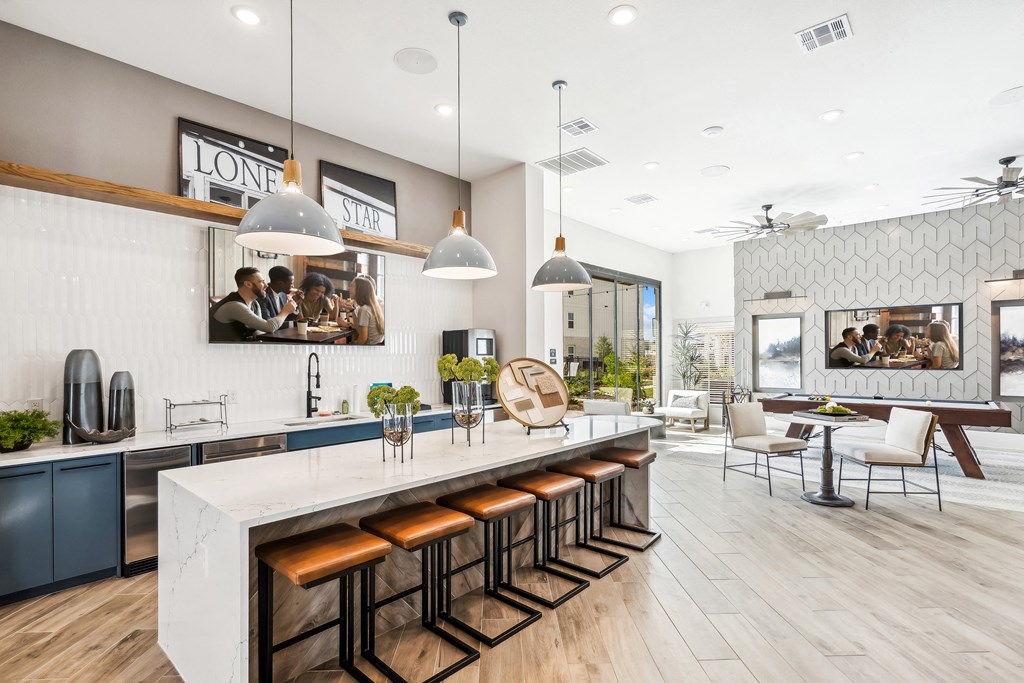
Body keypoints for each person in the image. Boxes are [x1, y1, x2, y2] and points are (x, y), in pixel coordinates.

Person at [209, 267, 296, 342]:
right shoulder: (234, 305)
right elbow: (269, 327)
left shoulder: (255, 303)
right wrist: (285, 311)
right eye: (261, 282)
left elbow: (258, 331)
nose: (266, 285)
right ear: (248, 284)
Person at [342, 275, 385, 345]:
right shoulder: (372, 307)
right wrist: (352, 310)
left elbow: (363, 338)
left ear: (359, 289)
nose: (348, 289)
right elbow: (359, 329)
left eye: (351, 286)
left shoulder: (364, 309)